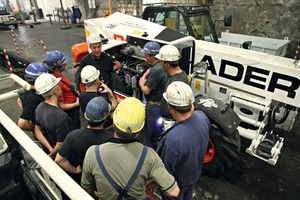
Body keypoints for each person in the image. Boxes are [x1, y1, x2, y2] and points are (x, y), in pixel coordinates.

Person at [81, 97, 180, 200]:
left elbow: (86, 187)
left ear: (114, 122)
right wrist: (154, 184)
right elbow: (174, 192)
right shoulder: (149, 156)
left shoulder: (93, 153)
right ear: (140, 129)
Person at [156, 81, 210, 200]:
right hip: (192, 176)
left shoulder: (172, 140)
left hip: (176, 186)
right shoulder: (202, 117)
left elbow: (165, 172)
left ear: (172, 109)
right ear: (191, 104)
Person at [55, 96, 114, 184]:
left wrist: (75, 170)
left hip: (83, 180)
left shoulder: (73, 136)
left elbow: (59, 160)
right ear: (105, 117)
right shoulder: (111, 139)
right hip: (104, 181)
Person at [34, 73, 71, 159]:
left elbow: (37, 131)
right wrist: (51, 155)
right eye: (58, 86)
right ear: (55, 91)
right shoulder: (61, 116)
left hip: (51, 148)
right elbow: (60, 145)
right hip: (64, 156)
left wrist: (50, 149)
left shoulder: (39, 107)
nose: (60, 87)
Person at [139, 41, 167, 148]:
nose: (145, 57)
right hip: (160, 104)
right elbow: (150, 69)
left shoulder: (156, 71)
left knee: (153, 133)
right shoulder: (160, 66)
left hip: (154, 107)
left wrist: (141, 82)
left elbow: (146, 90)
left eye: (146, 55)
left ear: (153, 56)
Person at [155, 44, 189, 130]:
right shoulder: (178, 74)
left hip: (171, 122)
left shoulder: (176, 82)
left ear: (167, 65)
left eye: (161, 62)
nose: (160, 64)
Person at [44, 50, 81, 131]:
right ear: (57, 67)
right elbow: (62, 106)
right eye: (63, 63)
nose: (65, 64)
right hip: (70, 112)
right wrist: (76, 104)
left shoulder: (58, 75)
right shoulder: (57, 83)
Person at [17, 62, 48, 132]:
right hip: (44, 130)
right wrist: (36, 131)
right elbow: (22, 123)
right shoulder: (34, 98)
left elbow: (19, 101)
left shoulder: (25, 91)